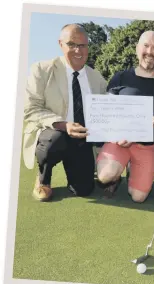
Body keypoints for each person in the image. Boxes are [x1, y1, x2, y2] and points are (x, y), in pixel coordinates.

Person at [23, 24, 107, 201]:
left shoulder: (96, 77)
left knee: (84, 190)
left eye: (82, 45)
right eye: (71, 44)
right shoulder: (41, 69)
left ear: (87, 47)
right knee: (55, 140)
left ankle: (78, 171)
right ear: (61, 44)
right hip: (54, 134)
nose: (78, 50)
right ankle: (43, 178)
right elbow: (31, 108)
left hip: (82, 139)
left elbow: (107, 111)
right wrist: (63, 124)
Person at [96, 31, 154, 202]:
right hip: (119, 142)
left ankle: (131, 171)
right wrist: (118, 134)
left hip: (147, 146)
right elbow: (107, 113)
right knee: (105, 175)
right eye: (146, 46)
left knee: (138, 197)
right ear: (137, 49)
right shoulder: (120, 77)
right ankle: (115, 176)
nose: (149, 51)